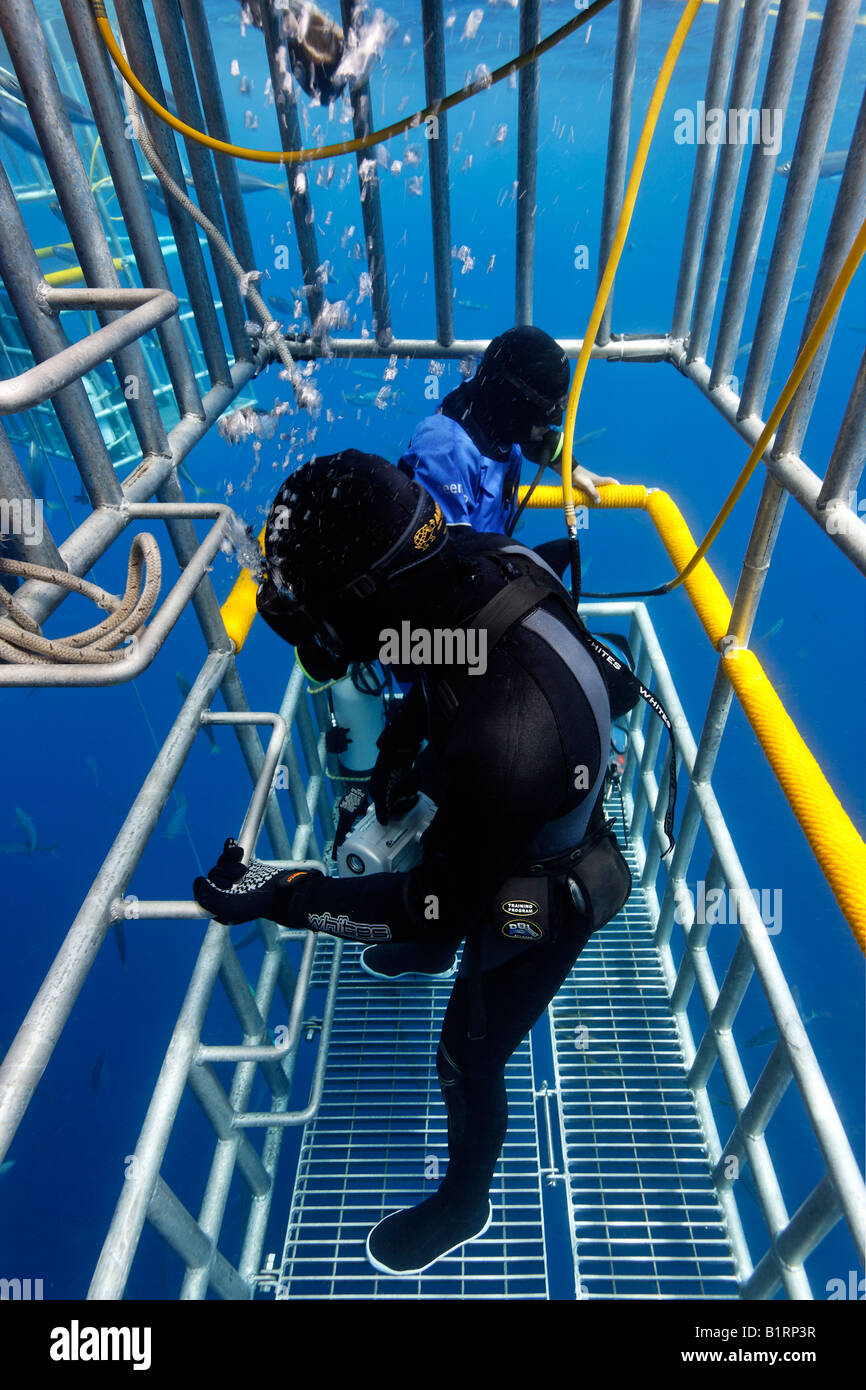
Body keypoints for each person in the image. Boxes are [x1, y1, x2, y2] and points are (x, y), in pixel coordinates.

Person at [193, 450, 632, 1277]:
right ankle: (434, 958)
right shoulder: (469, 562)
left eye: (311, 617)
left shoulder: (501, 746)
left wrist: (280, 895)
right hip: (509, 797)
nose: (309, 638)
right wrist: (399, 747)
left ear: (366, 596)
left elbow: (426, 904)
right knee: (446, 856)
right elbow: (440, 656)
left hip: (541, 892)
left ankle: (465, 1202)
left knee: (467, 1049)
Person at [399, 325, 618, 537]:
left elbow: (528, 435)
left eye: (557, 409)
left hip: (486, 555)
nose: (555, 422)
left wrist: (570, 467)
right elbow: (440, 558)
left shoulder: (489, 409)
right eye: (544, 412)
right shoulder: (445, 452)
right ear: (510, 402)